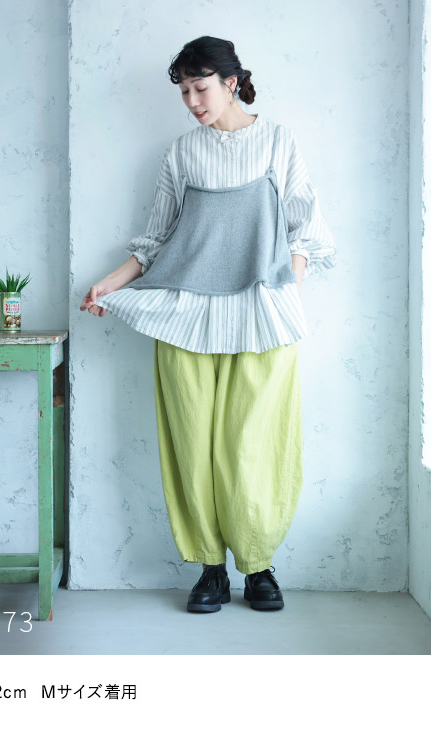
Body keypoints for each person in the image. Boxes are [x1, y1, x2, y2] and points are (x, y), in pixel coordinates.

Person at [80, 36, 336, 614]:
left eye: (200, 88)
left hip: (261, 315)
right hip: (187, 316)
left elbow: (306, 228)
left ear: (230, 82)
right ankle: (210, 570)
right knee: (191, 442)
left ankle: (258, 566)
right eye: (184, 93)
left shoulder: (278, 141)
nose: (192, 102)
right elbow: (157, 239)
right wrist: (110, 284)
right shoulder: (183, 153)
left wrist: (287, 291)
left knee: (254, 444)